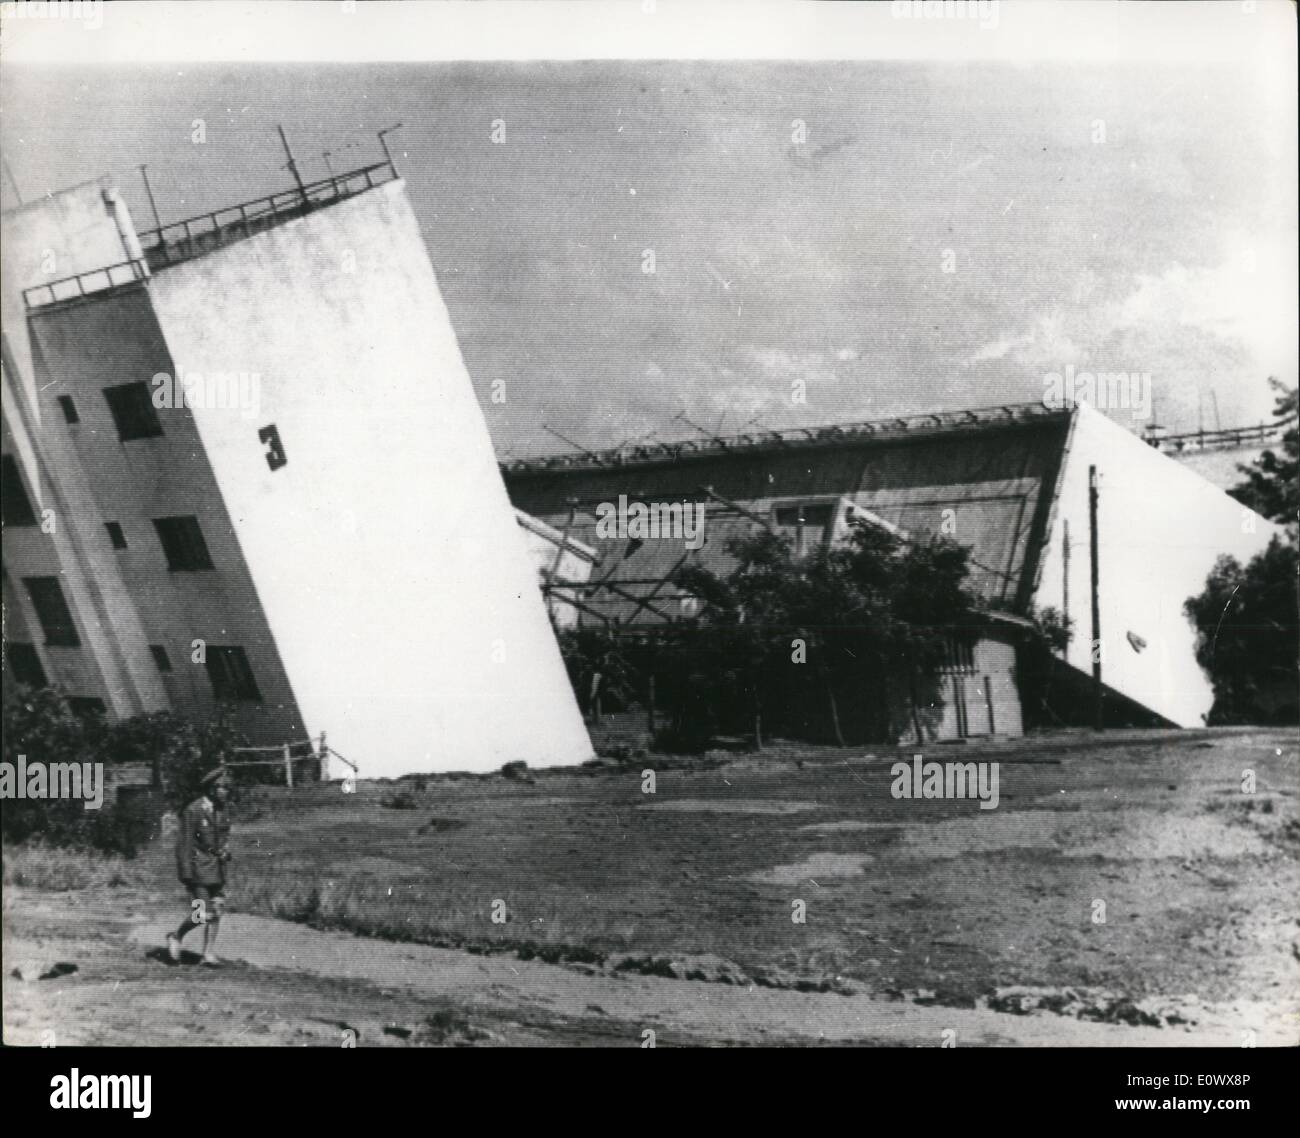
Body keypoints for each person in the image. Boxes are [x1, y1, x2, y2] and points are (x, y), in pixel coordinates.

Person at [167, 766, 232, 967]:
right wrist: (186, 874)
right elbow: (184, 843)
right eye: (223, 788)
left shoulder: (222, 810)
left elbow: (222, 838)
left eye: (228, 788)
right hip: (197, 871)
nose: (227, 792)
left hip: (216, 870)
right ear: (212, 789)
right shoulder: (193, 810)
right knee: (201, 914)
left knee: (217, 909)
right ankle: (176, 936)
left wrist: (225, 851)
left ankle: (208, 953)